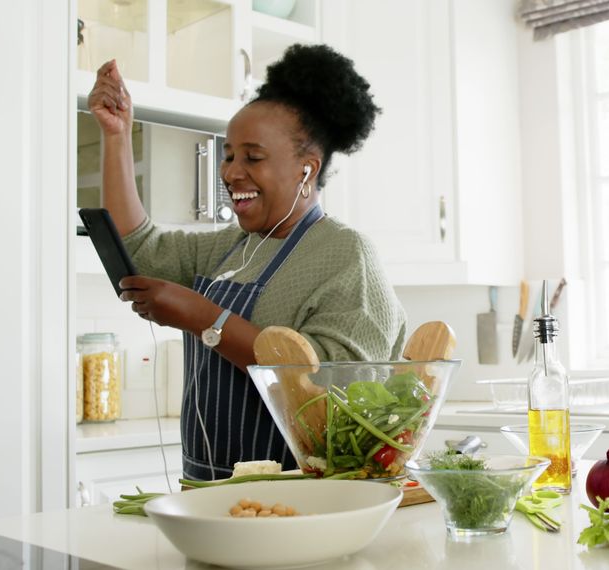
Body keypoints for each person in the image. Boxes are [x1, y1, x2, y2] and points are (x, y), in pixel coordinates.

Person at [88, 44, 407, 481]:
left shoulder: (346, 256)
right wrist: (116, 135)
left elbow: (338, 394)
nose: (231, 172)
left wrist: (206, 319)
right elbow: (137, 250)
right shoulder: (229, 247)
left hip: (305, 502)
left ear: (306, 171)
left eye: (253, 158)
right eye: (229, 155)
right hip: (206, 490)